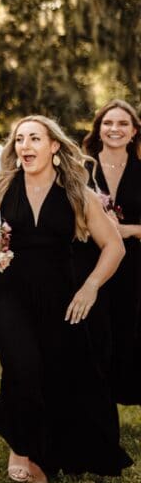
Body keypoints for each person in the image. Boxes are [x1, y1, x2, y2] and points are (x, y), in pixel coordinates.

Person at [0, 115, 132, 483]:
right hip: (9, 297)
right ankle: (29, 456)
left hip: (61, 298)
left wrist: (90, 286)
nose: (25, 146)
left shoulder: (78, 193)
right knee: (23, 371)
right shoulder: (2, 186)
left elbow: (114, 247)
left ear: (54, 146)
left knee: (53, 378)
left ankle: (39, 451)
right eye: (19, 140)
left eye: (34, 139)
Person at [82, 99, 141, 405]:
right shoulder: (81, 167)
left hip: (135, 268)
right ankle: (95, 408)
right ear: (98, 128)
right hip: (90, 263)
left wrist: (129, 230)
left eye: (122, 124)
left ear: (134, 132)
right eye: (108, 123)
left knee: (130, 333)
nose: (114, 129)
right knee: (94, 333)